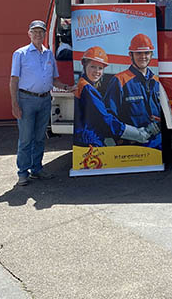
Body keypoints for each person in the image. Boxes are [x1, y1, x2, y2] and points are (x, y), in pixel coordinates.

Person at [10, 20, 74, 186]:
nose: (38, 35)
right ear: (29, 34)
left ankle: (37, 169)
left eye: (41, 32)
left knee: (39, 138)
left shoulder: (49, 54)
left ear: (45, 35)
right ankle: (22, 173)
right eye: (35, 32)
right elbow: (14, 80)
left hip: (45, 99)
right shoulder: (20, 54)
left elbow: (55, 80)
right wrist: (14, 103)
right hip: (26, 100)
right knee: (25, 139)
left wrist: (68, 88)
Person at [74, 46, 151, 147]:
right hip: (89, 140)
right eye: (93, 66)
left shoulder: (83, 84)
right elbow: (104, 118)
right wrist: (136, 134)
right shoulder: (87, 89)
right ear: (84, 65)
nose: (97, 71)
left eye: (100, 68)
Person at [104, 34, 162, 149]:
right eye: (138, 53)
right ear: (131, 55)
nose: (143, 57)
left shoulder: (156, 82)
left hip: (157, 145)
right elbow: (108, 117)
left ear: (152, 55)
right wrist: (132, 134)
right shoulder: (119, 80)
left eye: (147, 53)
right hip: (132, 147)